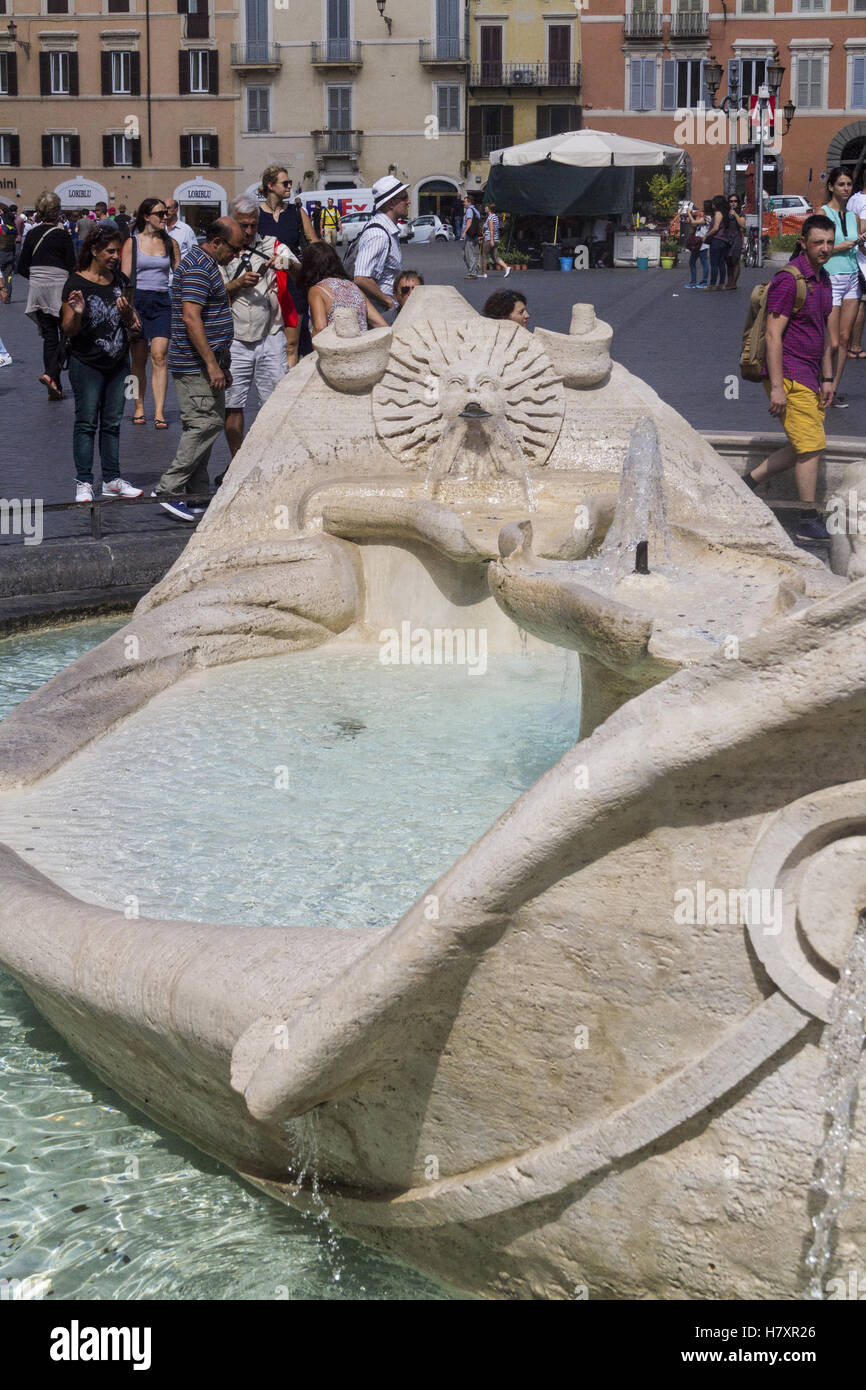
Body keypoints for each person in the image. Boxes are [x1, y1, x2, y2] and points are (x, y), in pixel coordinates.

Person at [743, 214, 836, 545]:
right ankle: (807, 519)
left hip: (811, 376)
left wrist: (827, 377)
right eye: (817, 243)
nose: (824, 248)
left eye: (828, 242)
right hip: (791, 375)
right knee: (811, 445)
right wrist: (778, 387)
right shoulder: (789, 280)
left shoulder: (823, 279)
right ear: (804, 243)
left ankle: (746, 485)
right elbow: (772, 335)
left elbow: (821, 332)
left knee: (803, 443)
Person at [152, 217, 243, 521]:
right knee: (204, 424)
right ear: (217, 242)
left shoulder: (206, 264)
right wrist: (211, 364)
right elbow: (191, 318)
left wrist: (221, 363)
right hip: (193, 364)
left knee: (210, 421)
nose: (237, 255)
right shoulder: (197, 267)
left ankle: (197, 493)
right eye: (234, 248)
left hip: (208, 362)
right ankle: (169, 488)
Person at [60, 226, 143, 504]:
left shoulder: (118, 280)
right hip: (86, 363)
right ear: (94, 250)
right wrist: (78, 313)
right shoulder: (75, 284)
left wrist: (128, 313)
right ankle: (84, 481)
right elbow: (68, 330)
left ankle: (111, 479)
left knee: (112, 423)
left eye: (117, 251)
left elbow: (131, 321)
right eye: (110, 251)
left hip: (118, 361)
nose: (115, 257)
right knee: (86, 423)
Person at [221, 195, 296, 461]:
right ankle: (236, 462)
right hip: (235, 339)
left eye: (253, 225)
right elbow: (213, 293)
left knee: (274, 404)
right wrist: (238, 284)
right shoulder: (221, 249)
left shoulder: (271, 244)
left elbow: (299, 268)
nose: (249, 231)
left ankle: (270, 460)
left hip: (270, 336)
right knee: (233, 404)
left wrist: (283, 263)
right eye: (244, 225)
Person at [121, 197, 181, 428]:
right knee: (137, 359)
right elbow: (125, 279)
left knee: (159, 355)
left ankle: (159, 411)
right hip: (137, 302)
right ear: (146, 217)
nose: (165, 217)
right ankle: (136, 406)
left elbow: (180, 273)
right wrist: (129, 311)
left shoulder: (170, 243)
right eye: (160, 214)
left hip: (161, 302)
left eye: (166, 213)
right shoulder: (132, 243)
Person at [257, 165, 319, 365]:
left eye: (290, 183)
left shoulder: (296, 212)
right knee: (267, 340)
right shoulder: (256, 215)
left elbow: (314, 244)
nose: (290, 186)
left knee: (291, 343)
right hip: (265, 284)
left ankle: (289, 388)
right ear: (270, 185)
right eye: (285, 183)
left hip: (293, 281)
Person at [18, 192, 76, 400]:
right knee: (67, 333)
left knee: (49, 337)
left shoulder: (32, 234)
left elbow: (21, 266)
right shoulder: (62, 235)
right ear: (57, 212)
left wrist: (37, 278)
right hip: (58, 288)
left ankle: (55, 386)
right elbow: (72, 264)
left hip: (37, 288)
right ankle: (52, 374)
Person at [819, 167, 866, 410]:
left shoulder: (853, 216)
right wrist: (840, 246)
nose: (846, 189)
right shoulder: (823, 213)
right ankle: (823, 384)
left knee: (846, 339)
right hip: (832, 277)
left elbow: (858, 248)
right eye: (841, 184)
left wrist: (862, 242)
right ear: (831, 187)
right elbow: (817, 248)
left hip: (851, 278)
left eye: (849, 184)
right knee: (833, 341)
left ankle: (833, 390)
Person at [302, 240, 388, 336]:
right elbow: (381, 324)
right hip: (359, 347)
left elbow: (320, 328)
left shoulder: (317, 291)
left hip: (335, 349)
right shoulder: (354, 288)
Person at [352, 174, 410, 314]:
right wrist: (388, 302)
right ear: (390, 203)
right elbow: (361, 278)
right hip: (379, 315)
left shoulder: (386, 229)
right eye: (404, 198)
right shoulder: (378, 234)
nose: (408, 201)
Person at [845, 181, 866, 360]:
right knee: (861, 303)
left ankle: (849, 343)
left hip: (855, 258)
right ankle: (855, 345)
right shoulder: (865, 202)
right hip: (863, 259)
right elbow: (863, 229)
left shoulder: (853, 199)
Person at [705, 196, 731, 290]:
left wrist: (707, 235)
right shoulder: (725, 214)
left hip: (716, 240)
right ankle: (722, 283)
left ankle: (712, 284)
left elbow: (715, 228)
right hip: (724, 240)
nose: (712, 205)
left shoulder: (718, 213)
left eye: (713, 203)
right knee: (721, 263)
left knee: (714, 263)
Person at [684, 202, 710, 289]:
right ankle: (693, 282)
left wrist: (689, 213)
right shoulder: (704, 217)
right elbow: (694, 225)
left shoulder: (708, 218)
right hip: (697, 243)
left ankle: (704, 281)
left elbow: (694, 222)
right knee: (692, 262)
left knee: (704, 262)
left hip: (703, 243)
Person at [725, 194, 746, 291]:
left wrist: (735, 214)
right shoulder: (726, 213)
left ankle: (734, 282)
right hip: (727, 238)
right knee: (728, 261)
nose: (733, 203)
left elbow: (742, 224)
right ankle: (729, 281)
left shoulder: (741, 213)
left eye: (735, 201)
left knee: (735, 260)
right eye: (731, 201)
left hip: (736, 238)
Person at [482, 204, 509, 277]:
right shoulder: (496, 217)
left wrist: (491, 240)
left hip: (489, 239)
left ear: (489, 209)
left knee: (484, 256)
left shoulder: (490, 217)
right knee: (495, 257)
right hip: (496, 239)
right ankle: (506, 267)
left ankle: (484, 273)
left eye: (486, 207)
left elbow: (491, 229)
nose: (484, 208)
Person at [461, 194, 483, 280]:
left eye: (465, 202)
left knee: (469, 254)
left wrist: (464, 232)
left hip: (470, 235)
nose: (463, 203)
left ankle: (472, 273)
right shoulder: (475, 210)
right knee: (465, 254)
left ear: (469, 202)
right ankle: (473, 270)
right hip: (473, 235)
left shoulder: (470, 210)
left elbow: (469, 222)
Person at [0, 205, 16, 303]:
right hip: (10, 254)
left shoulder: (2, 229)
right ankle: (8, 297)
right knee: (8, 276)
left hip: (1, 253)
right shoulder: (14, 230)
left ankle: (2, 293)